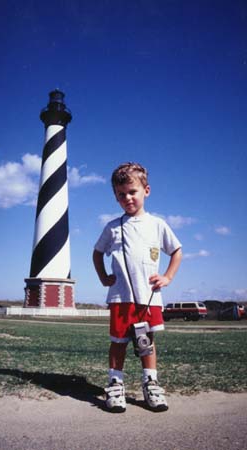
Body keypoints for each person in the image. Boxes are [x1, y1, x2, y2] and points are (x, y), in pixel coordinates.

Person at [93, 162, 182, 413]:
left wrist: (167, 277)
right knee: (118, 341)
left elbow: (176, 250)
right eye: (121, 194)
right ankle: (115, 383)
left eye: (132, 191)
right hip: (121, 296)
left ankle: (150, 383)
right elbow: (97, 253)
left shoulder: (157, 224)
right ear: (116, 197)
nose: (127, 198)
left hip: (149, 297)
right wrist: (103, 277)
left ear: (146, 191)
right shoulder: (113, 227)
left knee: (147, 341)